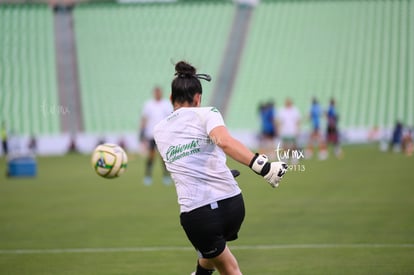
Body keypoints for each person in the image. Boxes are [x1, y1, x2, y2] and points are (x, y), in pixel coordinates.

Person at [153, 61, 288, 275]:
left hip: (199, 216)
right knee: (210, 254)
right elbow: (222, 141)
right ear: (198, 98)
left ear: (171, 99)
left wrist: (260, 167)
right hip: (233, 206)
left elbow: (189, 162)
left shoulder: (159, 131)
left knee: (229, 268)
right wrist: (264, 167)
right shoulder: (206, 113)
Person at [140, 86, 173, 185]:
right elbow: (144, 119)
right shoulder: (148, 104)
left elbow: (170, 119)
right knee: (151, 156)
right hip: (151, 134)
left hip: (163, 135)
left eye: (159, 92)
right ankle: (148, 176)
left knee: (164, 157)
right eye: (156, 92)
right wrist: (142, 131)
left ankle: (166, 177)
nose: (157, 94)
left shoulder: (166, 104)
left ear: (161, 93)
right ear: (154, 93)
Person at [277, 98, 301, 163]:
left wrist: (298, 129)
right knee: (285, 145)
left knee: (294, 145)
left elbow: (298, 121)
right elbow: (279, 121)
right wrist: (279, 129)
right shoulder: (282, 110)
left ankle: (294, 157)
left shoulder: (295, 110)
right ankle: (285, 157)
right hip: (284, 131)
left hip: (292, 130)